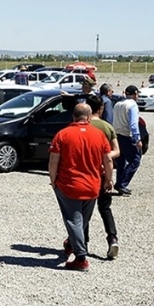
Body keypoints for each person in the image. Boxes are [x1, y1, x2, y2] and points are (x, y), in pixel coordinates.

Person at [48, 103, 114, 272]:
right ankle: (72, 243)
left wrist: (53, 179)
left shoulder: (63, 134)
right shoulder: (99, 135)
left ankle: (81, 258)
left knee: (73, 220)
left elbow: (54, 160)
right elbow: (108, 160)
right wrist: (108, 179)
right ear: (90, 117)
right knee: (83, 220)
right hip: (93, 185)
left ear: (73, 117)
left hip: (69, 185)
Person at [86, 95, 120, 259]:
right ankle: (112, 238)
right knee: (105, 208)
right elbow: (116, 151)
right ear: (101, 109)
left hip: (86, 172)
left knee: (83, 210)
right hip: (102, 171)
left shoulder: (83, 125)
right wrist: (104, 157)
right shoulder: (107, 127)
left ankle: (82, 242)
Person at [112, 85, 143, 196]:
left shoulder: (117, 104)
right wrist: (137, 138)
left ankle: (120, 183)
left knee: (121, 162)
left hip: (117, 135)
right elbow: (133, 124)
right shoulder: (132, 105)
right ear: (134, 94)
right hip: (127, 135)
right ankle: (122, 183)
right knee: (135, 160)